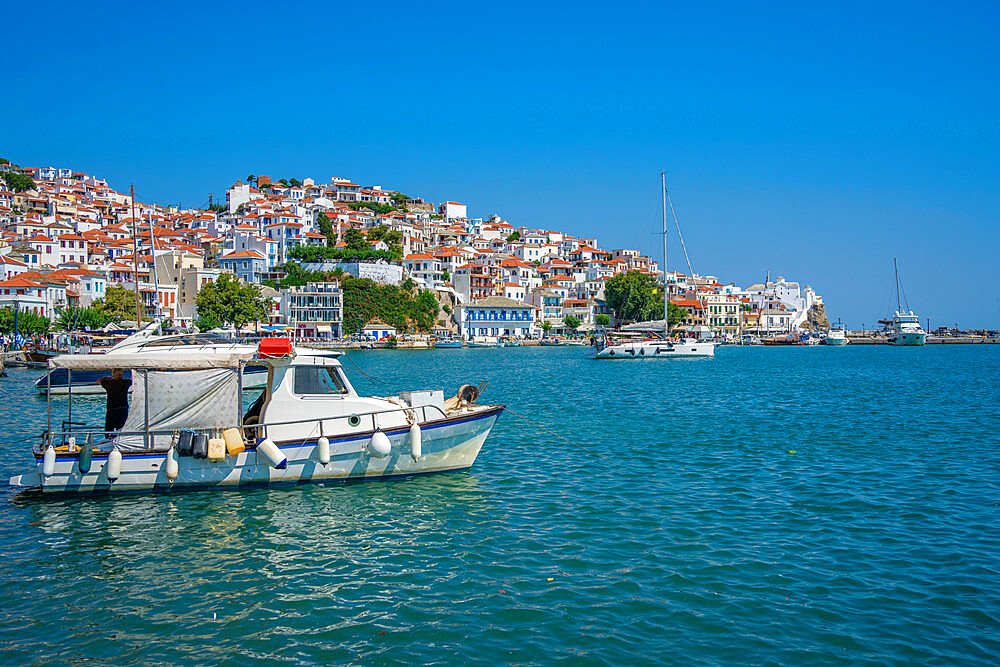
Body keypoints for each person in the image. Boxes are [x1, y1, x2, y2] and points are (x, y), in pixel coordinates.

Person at [97, 369, 131, 435]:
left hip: (112, 409)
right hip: (122, 409)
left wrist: (106, 377)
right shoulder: (126, 382)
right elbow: (134, 380)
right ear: (122, 375)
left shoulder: (109, 383)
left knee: (109, 429)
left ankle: (108, 440)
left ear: (113, 374)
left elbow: (98, 381)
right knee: (121, 429)